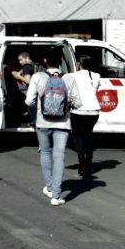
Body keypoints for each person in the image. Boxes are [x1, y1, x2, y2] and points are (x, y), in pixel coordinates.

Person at [25, 47, 78, 206]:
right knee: (59, 156)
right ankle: (56, 195)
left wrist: (39, 108)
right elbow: (78, 102)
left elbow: (29, 101)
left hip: (43, 122)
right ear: (61, 61)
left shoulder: (37, 76)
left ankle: (49, 187)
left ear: (45, 61)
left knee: (45, 153)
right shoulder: (68, 78)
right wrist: (66, 107)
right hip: (63, 123)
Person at [69, 55, 101, 177]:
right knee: (88, 135)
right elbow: (94, 91)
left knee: (77, 136)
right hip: (93, 110)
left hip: (78, 109)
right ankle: (89, 162)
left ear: (79, 64)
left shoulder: (73, 75)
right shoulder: (96, 76)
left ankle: (81, 161)